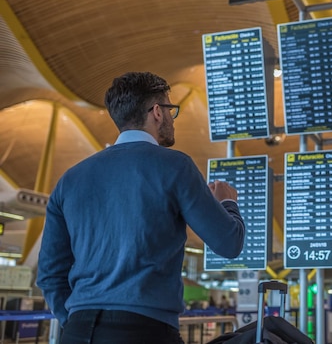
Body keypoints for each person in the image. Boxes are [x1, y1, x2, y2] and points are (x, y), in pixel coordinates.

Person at [36, 72, 245, 344]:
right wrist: (228, 202)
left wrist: (76, 321)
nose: (171, 118)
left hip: (77, 331)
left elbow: (50, 273)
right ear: (157, 112)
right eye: (170, 110)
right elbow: (229, 243)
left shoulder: (70, 180)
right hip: (144, 330)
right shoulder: (175, 166)